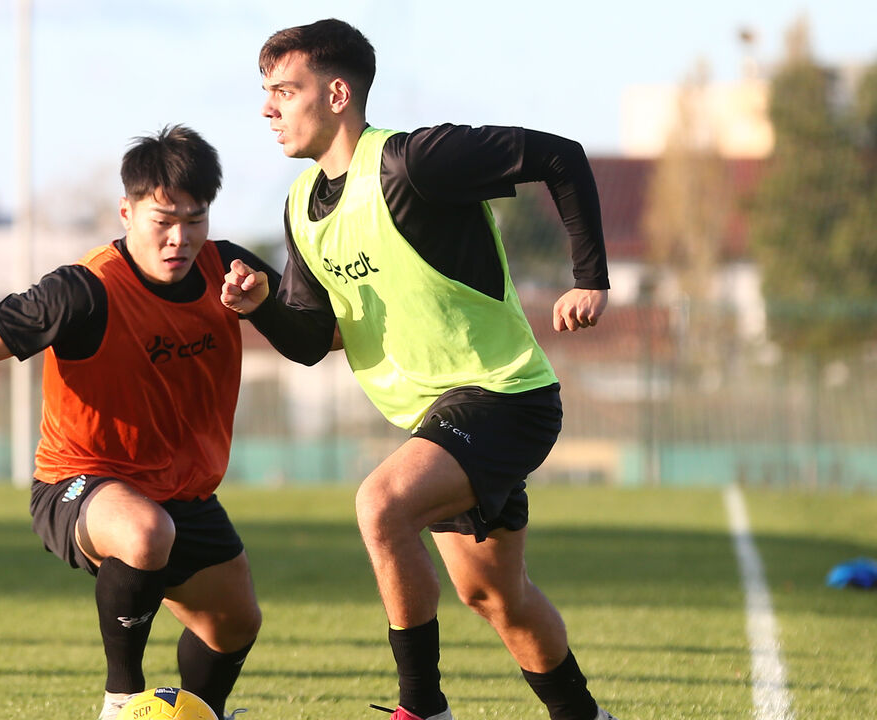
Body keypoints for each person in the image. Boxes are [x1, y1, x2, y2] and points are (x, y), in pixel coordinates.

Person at [220, 18, 617, 720]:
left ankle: (422, 708)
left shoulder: (414, 161)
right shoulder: (300, 208)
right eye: (266, 92)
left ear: (337, 93)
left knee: (380, 505)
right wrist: (259, 308)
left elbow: (561, 155)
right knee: (498, 598)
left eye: (285, 89)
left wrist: (589, 278)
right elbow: (314, 339)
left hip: (503, 398)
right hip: (439, 420)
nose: (267, 108)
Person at [0, 125, 276, 720]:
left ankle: (201, 714)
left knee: (234, 625)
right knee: (144, 532)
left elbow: (318, 334)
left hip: (183, 493)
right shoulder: (84, 290)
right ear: (126, 212)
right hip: (78, 483)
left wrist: (270, 302)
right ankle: (120, 701)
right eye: (163, 220)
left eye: (195, 220)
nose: (180, 238)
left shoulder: (227, 271)